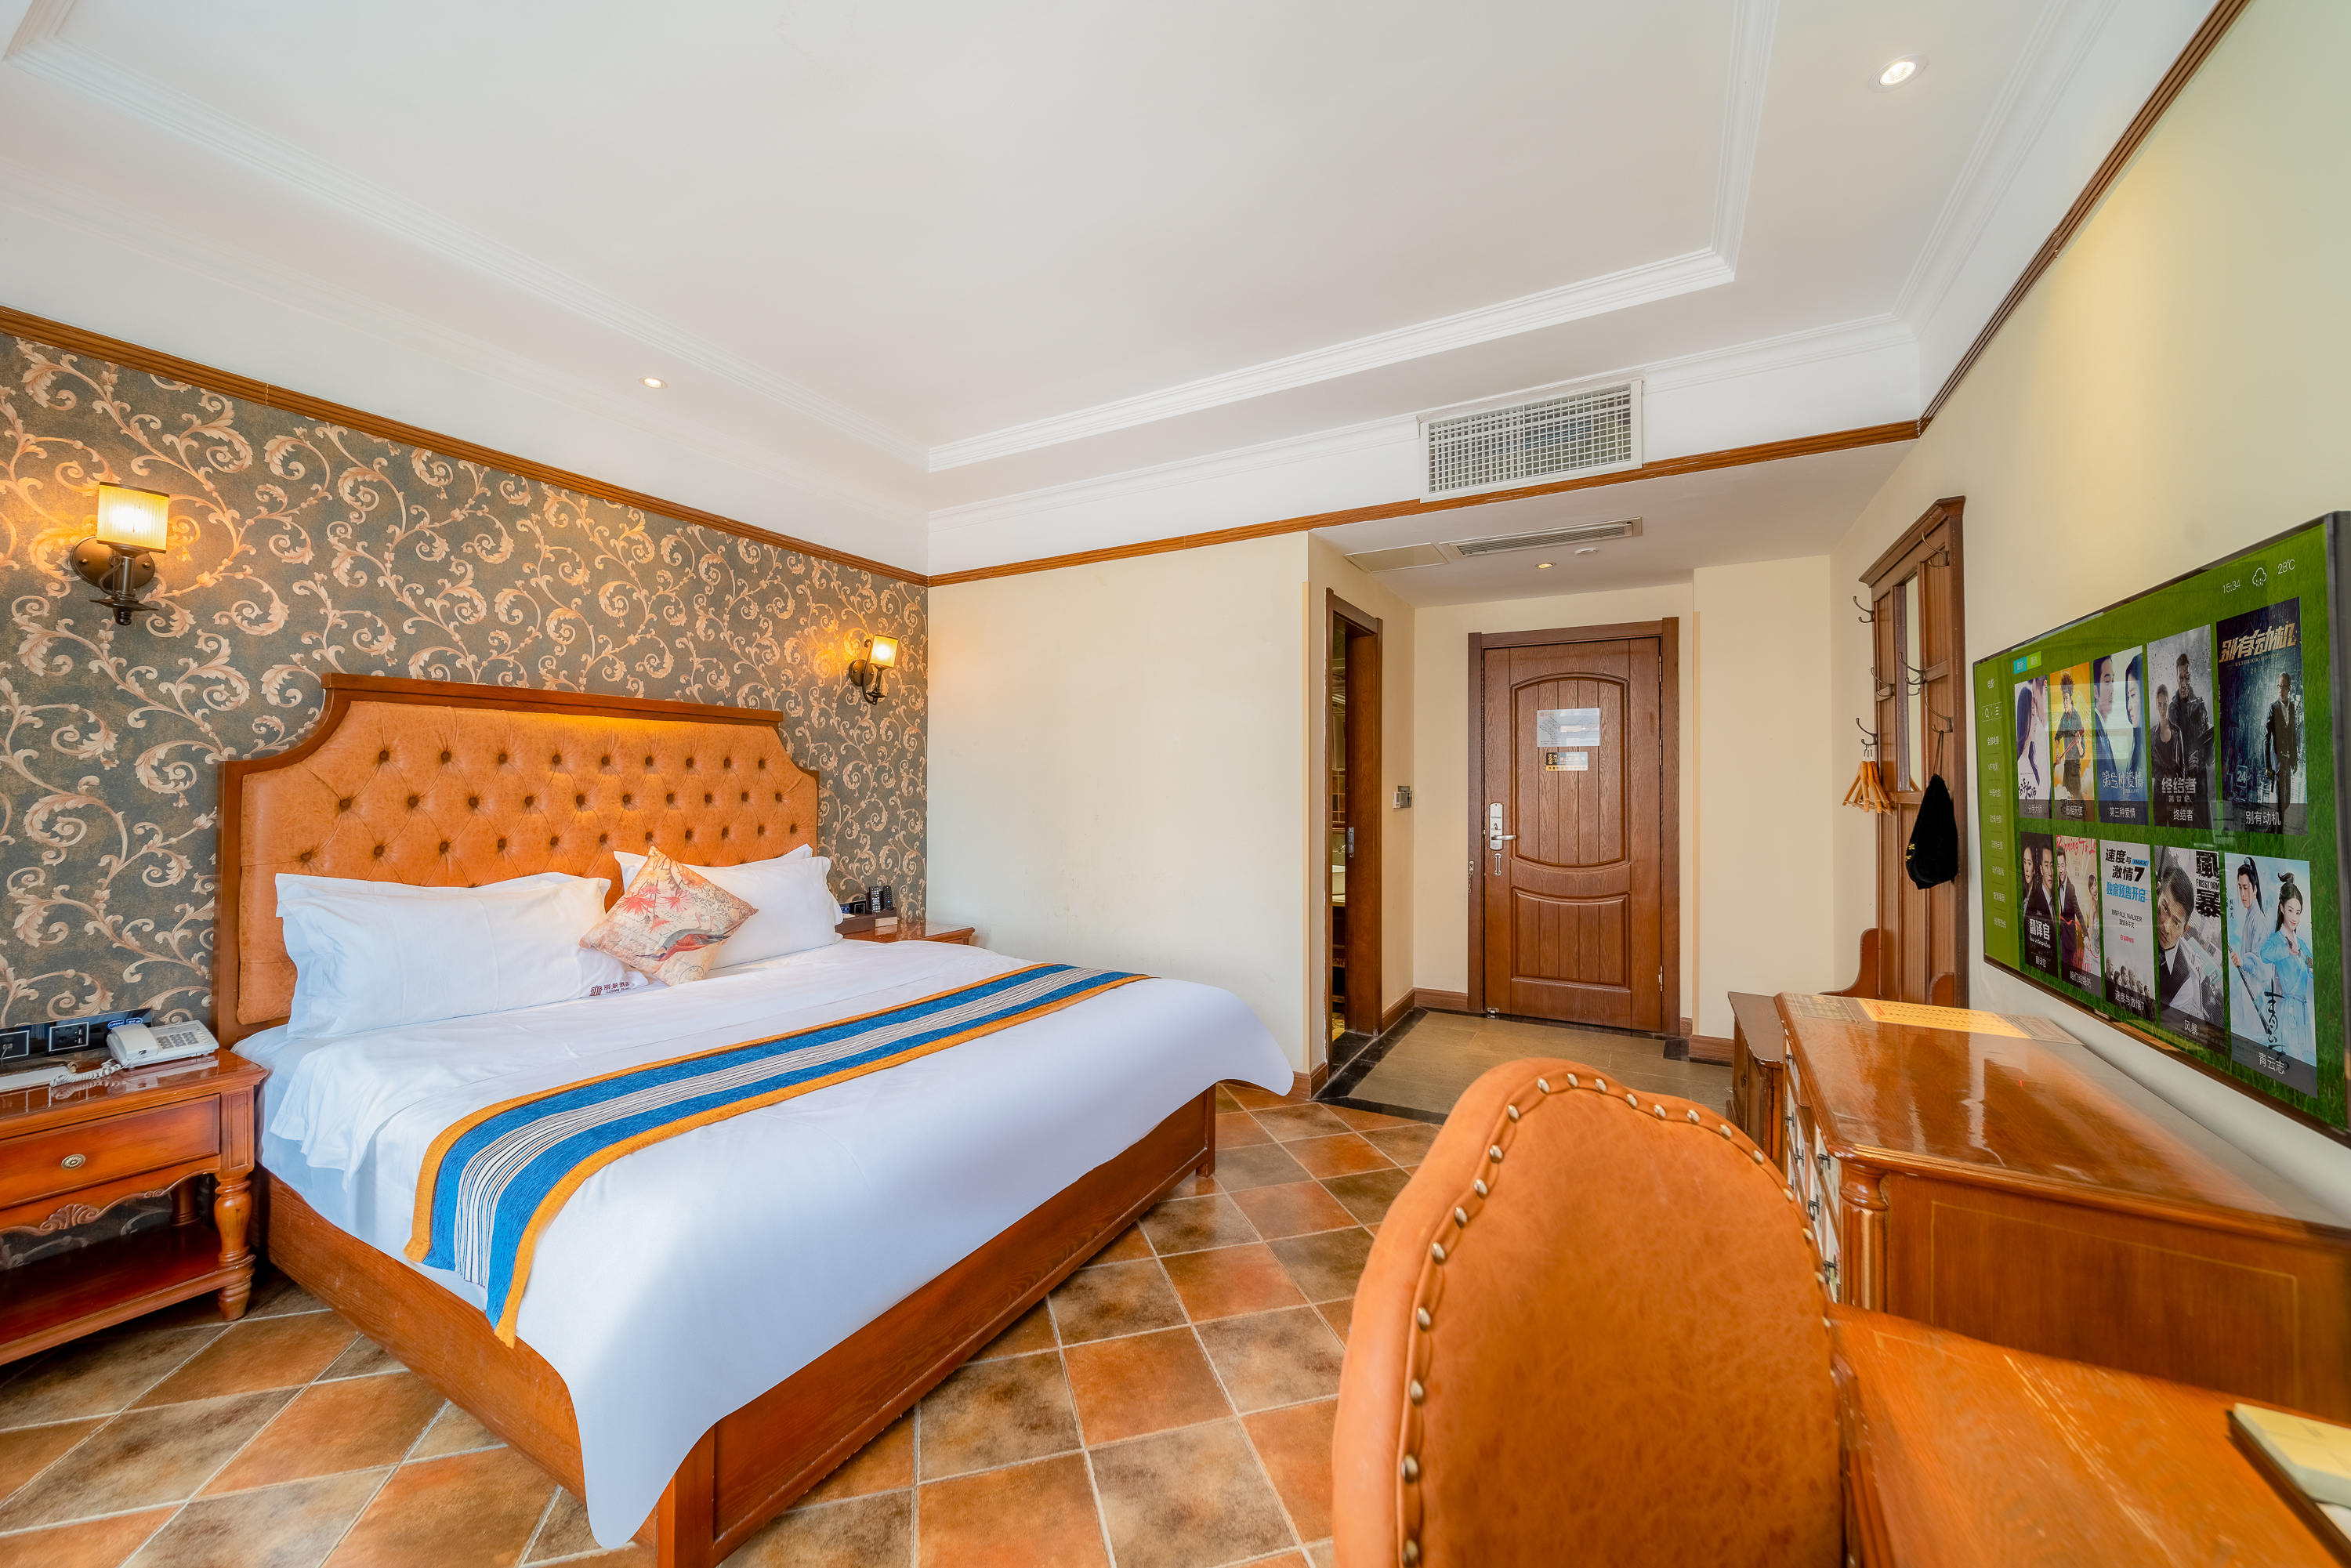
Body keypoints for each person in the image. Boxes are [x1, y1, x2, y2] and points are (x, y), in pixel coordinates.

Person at [2256, 874, 2314, 1063]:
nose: (2295, 917)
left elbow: (2313, 967)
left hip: (2303, 1011)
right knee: (2292, 1060)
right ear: (2282, 908)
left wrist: (2309, 964)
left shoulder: (2302, 944)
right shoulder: (2277, 940)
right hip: (2289, 1011)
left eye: (2298, 912)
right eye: (2290, 911)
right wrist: (2286, 950)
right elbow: (2264, 954)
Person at [2154, 857, 2219, 1027]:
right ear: (2157, 893)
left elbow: (2164, 1033)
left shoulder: (2184, 989)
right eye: (2165, 909)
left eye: (2176, 923)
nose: (2166, 927)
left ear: (2185, 930)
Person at [2266, 672, 2299, 822]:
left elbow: (2293, 735)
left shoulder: (2292, 708)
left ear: (2289, 688)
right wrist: (2268, 765)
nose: (2280, 690)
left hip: (2288, 761)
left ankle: (2271, 829)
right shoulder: (2273, 708)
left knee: (2287, 802)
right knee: (2280, 805)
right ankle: (2277, 832)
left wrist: (2295, 759)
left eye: (2283, 687)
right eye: (2279, 686)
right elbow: (2266, 738)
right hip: (2278, 762)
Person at [2055, 674, 2088, 802]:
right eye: (2063, 699)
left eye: (2066, 698)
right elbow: (2058, 736)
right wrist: (2057, 752)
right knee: (2065, 800)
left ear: (2071, 698)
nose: (2064, 702)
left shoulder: (2077, 718)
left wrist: (2078, 744)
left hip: (2075, 767)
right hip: (2067, 766)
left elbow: (2082, 753)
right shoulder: (2064, 718)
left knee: (2079, 800)